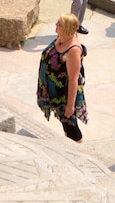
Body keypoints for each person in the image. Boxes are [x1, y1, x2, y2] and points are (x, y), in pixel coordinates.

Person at [36, 13, 88, 142]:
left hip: (64, 95)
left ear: (66, 28)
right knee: (66, 125)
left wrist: (70, 105)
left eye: (59, 24)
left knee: (71, 126)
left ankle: (80, 149)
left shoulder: (73, 49)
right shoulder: (61, 37)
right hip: (54, 91)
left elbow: (73, 79)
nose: (55, 25)